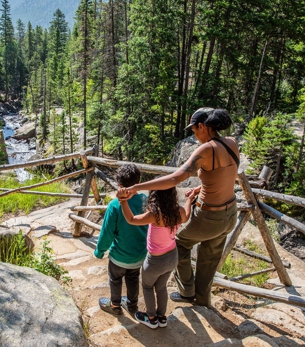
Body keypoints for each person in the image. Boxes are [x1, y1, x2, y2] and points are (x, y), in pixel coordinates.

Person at [121, 107, 239, 307]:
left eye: (194, 130)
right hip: (230, 214)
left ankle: (186, 291)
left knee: (180, 245)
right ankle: (202, 299)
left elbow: (175, 178)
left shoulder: (206, 150)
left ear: (202, 126)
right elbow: (227, 175)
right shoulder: (231, 143)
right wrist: (202, 187)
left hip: (209, 216)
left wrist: (136, 187)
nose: (194, 135)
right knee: (209, 258)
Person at [117, 186, 193, 329]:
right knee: (161, 286)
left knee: (147, 286)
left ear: (154, 195)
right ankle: (162, 318)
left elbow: (131, 219)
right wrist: (190, 199)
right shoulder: (178, 211)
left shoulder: (155, 214)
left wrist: (123, 201)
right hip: (172, 257)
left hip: (155, 261)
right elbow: (187, 215)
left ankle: (151, 318)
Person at [94, 164, 148, 315]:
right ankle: (132, 305)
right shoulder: (146, 200)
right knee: (133, 278)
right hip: (139, 255)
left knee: (115, 279)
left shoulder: (115, 204)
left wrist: (100, 250)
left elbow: (107, 232)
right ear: (139, 181)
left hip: (119, 256)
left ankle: (115, 305)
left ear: (119, 185)